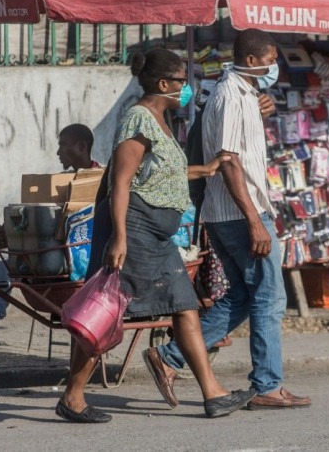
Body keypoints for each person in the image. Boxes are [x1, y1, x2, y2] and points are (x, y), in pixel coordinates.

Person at [55, 48, 256, 424]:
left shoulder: (160, 121)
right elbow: (120, 182)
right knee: (105, 312)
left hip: (159, 236)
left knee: (186, 307)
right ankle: (73, 396)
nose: (187, 87)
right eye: (182, 80)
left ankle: (212, 393)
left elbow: (161, 176)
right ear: (164, 84)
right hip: (136, 229)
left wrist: (206, 169)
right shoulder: (137, 120)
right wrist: (118, 238)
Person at [147, 29, 312, 410]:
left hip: (231, 213)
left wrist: (259, 107)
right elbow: (229, 160)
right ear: (252, 61)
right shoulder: (229, 95)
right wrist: (254, 220)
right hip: (239, 213)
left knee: (241, 296)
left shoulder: (241, 94)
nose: (274, 67)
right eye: (270, 59)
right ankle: (267, 385)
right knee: (270, 297)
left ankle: (170, 357)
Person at [0, 124, 99, 363]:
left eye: (63, 145)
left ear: (81, 147)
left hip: (72, 258)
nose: (58, 151)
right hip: (51, 251)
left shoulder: (97, 181)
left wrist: (15, 240)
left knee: (2, 258)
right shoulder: (58, 183)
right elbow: (43, 226)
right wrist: (11, 234)